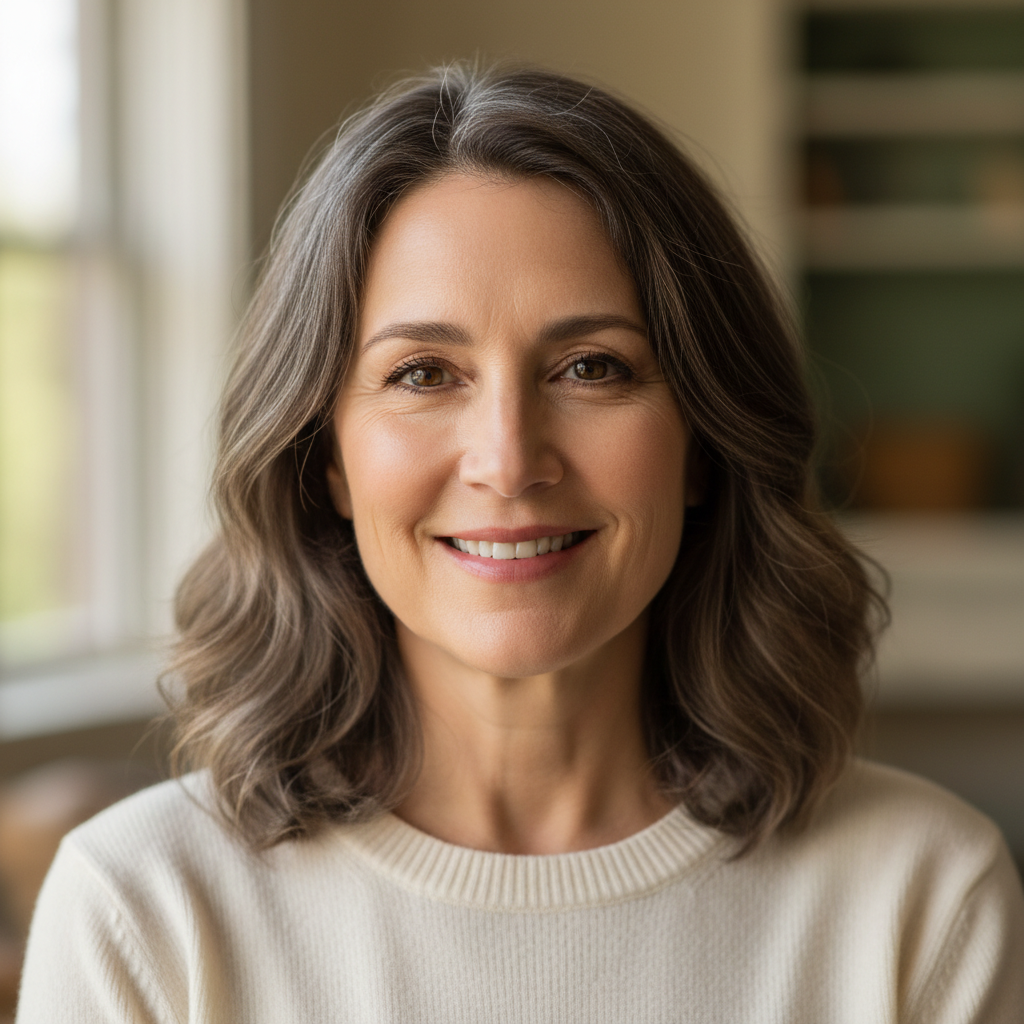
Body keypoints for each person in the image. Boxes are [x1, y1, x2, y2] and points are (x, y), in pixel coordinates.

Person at [16, 63, 1024, 1023]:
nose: (507, 459)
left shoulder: (921, 893)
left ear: (703, 445)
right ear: (326, 454)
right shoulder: (141, 906)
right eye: (422, 374)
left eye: (590, 367)